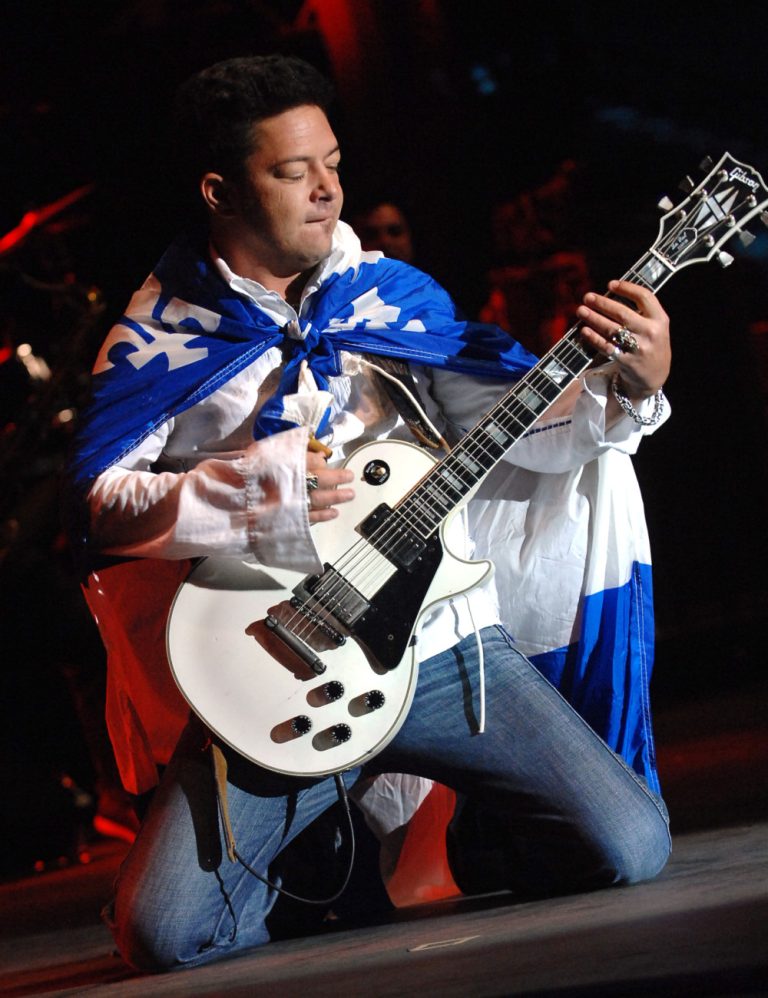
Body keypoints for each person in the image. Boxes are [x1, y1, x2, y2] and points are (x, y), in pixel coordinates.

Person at [69, 54, 672, 971]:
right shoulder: (161, 335)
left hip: (445, 643)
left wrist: (627, 388)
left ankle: (477, 838)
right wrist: (262, 486)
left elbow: (515, 430)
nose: (327, 191)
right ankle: (312, 875)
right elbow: (105, 504)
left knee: (632, 849)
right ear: (220, 191)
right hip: (286, 660)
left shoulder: (388, 294)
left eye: (333, 162)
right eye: (291, 171)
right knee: (160, 934)